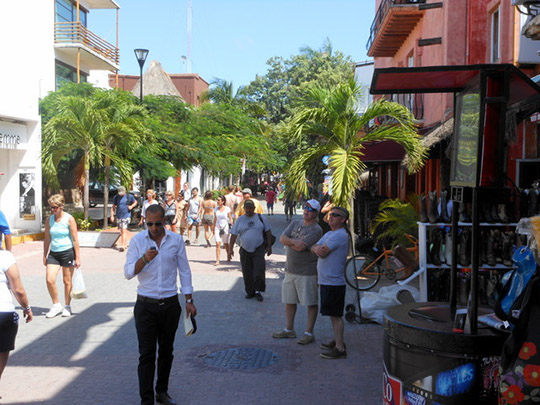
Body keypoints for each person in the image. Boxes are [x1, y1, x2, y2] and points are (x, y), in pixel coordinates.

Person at [124, 204, 197, 405]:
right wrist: (144, 259)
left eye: (157, 223)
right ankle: (146, 400)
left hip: (170, 305)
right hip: (145, 305)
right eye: (149, 224)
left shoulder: (176, 240)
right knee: (146, 354)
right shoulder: (138, 240)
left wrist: (189, 300)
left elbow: (184, 271)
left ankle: (161, 392)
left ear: (164, 221)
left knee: (166, 352)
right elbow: (128, 272)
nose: (154, 228)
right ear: (145, 221)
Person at [273, 200, 323, 345]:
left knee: (310, 302)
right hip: (290, 270)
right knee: (289, 301)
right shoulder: (295, 223)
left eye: (310, 209)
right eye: (305, 207)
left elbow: (302, 247)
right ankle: (289, 330)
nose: (306, 210)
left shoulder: (316, 229)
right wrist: (294, 242)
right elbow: (282, 239)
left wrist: (289, 242)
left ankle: (309, 333)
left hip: (307, 272)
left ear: (316, 213)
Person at [311, 206, 349, 359]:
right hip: (327, 280)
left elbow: (322, 251)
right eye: (330, 214)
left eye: (335, 215)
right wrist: (315, 248)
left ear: (343, 220)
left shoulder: (338, 235)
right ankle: (337, 341)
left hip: (334, 281)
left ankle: (340, 348)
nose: (331, 217)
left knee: (335, 314)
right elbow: (314, 247)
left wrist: (317, 248)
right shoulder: (329, 234)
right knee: (332, 314)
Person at [43, 194, 81, 318]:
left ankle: (67, 306)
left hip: (67, 252)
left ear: (61, 206)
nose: (53, 210)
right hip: (54, 253)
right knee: (50, 279)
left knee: (67, 281)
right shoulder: (49, 220)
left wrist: (78, 257)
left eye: (55, 207)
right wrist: (45, 254)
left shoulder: (69, 219)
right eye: (51, 207)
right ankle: (56, 305)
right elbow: (47, 238)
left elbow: (75, 239)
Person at [228, 199, 272, 302]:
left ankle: (258, 291)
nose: (248, 210)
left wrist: (269, 246)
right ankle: (250, 291)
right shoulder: (239, 220)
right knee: (247, 271)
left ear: (254, 208)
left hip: (259, 248)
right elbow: (233, 235)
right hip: (244, 249)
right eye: (246, 208)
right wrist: (230, 249)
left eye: (250, 208)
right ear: (244, 209)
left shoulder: (260, 218)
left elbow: (268, 231)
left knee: (259, 270)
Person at [0, 249, 33, 381]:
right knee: (2, 350)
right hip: (3, 312)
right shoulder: (5, 257)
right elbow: (18, 289)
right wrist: (26, 308)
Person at [111, 186, 137, 252]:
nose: (121, 194)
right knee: (122, 231)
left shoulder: (129, 196)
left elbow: (135, 202)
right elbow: (113, 207)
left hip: (126, 216)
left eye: (122, 193)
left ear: (125, 191)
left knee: (123, 230)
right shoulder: (116, 197)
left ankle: (122, 245)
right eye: (120, 193)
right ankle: (125, 244)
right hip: (119, 216)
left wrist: (131, 206)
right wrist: (112, 216)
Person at [213, 195, 233, 266]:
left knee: (225, 243)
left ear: (223, 201)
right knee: (218, 243)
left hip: (225, 227)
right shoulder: (216, 209)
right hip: (217, 227)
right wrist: (213, 227)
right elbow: (215, 219)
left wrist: (232, 225)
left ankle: (228, 255)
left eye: (219, 200)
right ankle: (217, 260)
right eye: (217, 200)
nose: (217, 201)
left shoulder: (227, 209)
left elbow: (230, 218)